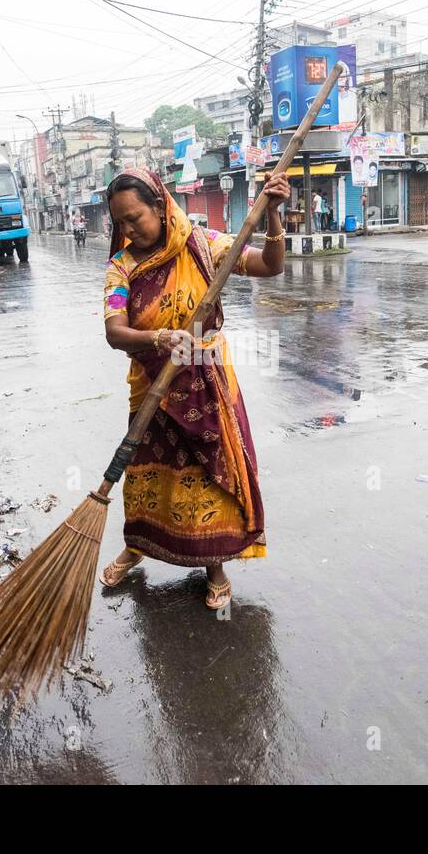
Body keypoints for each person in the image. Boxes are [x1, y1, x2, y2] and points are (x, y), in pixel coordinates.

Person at [98, 167, 290, 610]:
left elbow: (268, 266)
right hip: (152, 385)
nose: (128, 229)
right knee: (146, 472)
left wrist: (274, 215)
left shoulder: (203, 246)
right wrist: (159, 339)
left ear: (161, 208)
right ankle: (139, 545)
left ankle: (216, 567)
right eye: (120, 222)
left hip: (208, 379)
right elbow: (114, 332)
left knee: (210, 472)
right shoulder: (121, 267)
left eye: (135, 218)